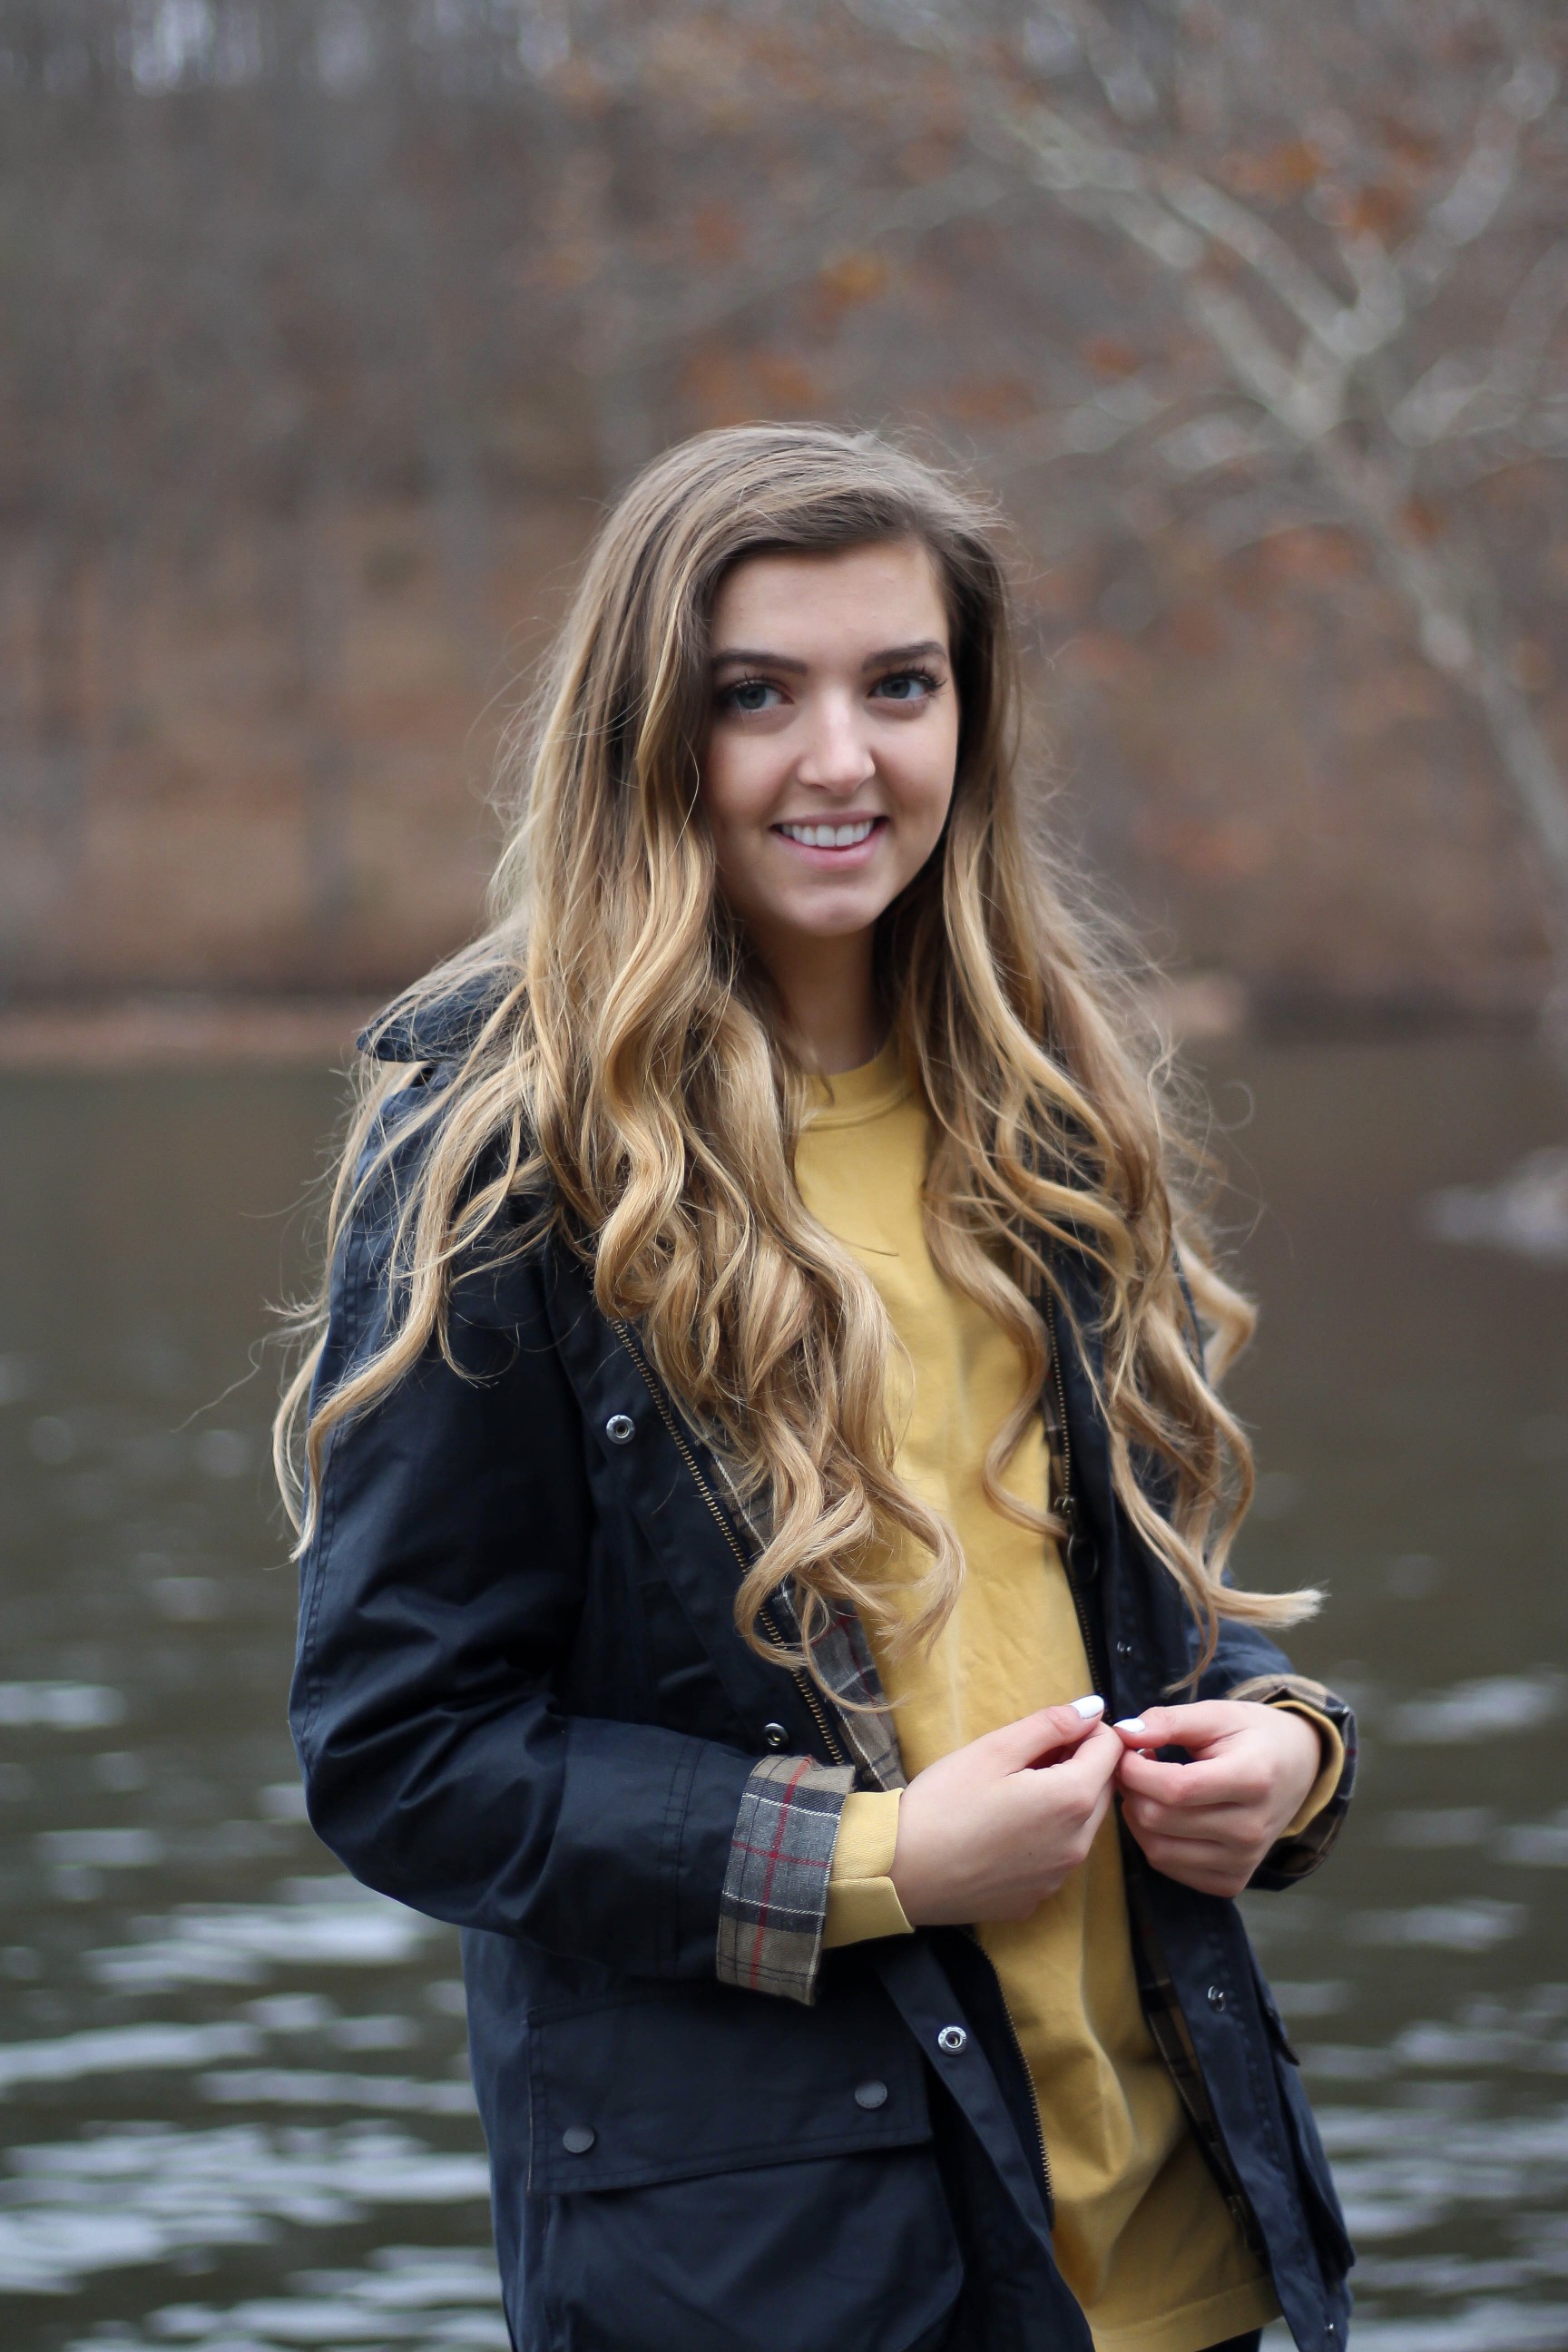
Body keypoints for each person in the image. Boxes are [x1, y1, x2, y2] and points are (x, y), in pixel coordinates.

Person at [276, 424, 1357, 2352]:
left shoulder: (1046, 1105)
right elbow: (402, 1755)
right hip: (790, 2286)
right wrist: (869, 1861)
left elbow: (1101, 1616)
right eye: (754, 696)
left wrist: (1280, 1751)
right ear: (641, 733)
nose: (842, 758)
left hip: (1176, 2253)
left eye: (901, 685)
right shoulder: (507, 1157)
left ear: (973, 714)